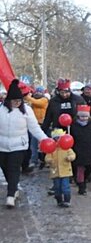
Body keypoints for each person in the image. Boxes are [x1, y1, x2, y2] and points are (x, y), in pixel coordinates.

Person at [0, 79, 49, 208]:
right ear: (8, 100)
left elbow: (34, 128)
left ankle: (10, 195)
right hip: (2, 146)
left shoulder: (26, 110)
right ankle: (14, 188)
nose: (17, 103)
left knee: (14, 169)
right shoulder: (1, 110)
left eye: (19, 101)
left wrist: (44, 139)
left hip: (19, 145)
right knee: (5, 168)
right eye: (14, 101)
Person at [70, 105, 91, 195]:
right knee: (80, 169)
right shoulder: (73, 125)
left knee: (89, 168)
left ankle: (83, 180)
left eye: (85, 116)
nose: (84, 118)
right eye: (82, 116)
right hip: (78, 150)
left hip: (90, 150)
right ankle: (81, 186)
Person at [45, 128, 76, 207]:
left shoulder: (67, 148)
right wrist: (49, 160)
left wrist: (70, 158)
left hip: (65, 171)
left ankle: (67, 200)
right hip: (55, 171)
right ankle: (59, 200)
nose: (57, 140)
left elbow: (73, 155)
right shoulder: (52, 149)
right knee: (57, 187)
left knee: (65, 187)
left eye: (59, 138)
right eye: (56, 138)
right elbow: (47, 157)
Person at [25, 85, 49, 169]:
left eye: (40, 91)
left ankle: (47, 160)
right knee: (33, 145)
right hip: (34, 124)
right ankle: (33, 160)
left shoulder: (44, 100)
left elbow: (38, 103)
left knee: (45, 143)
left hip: (43, 124)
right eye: (37, 91)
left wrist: (28, 97)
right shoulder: (31, 100)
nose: (38, 93)